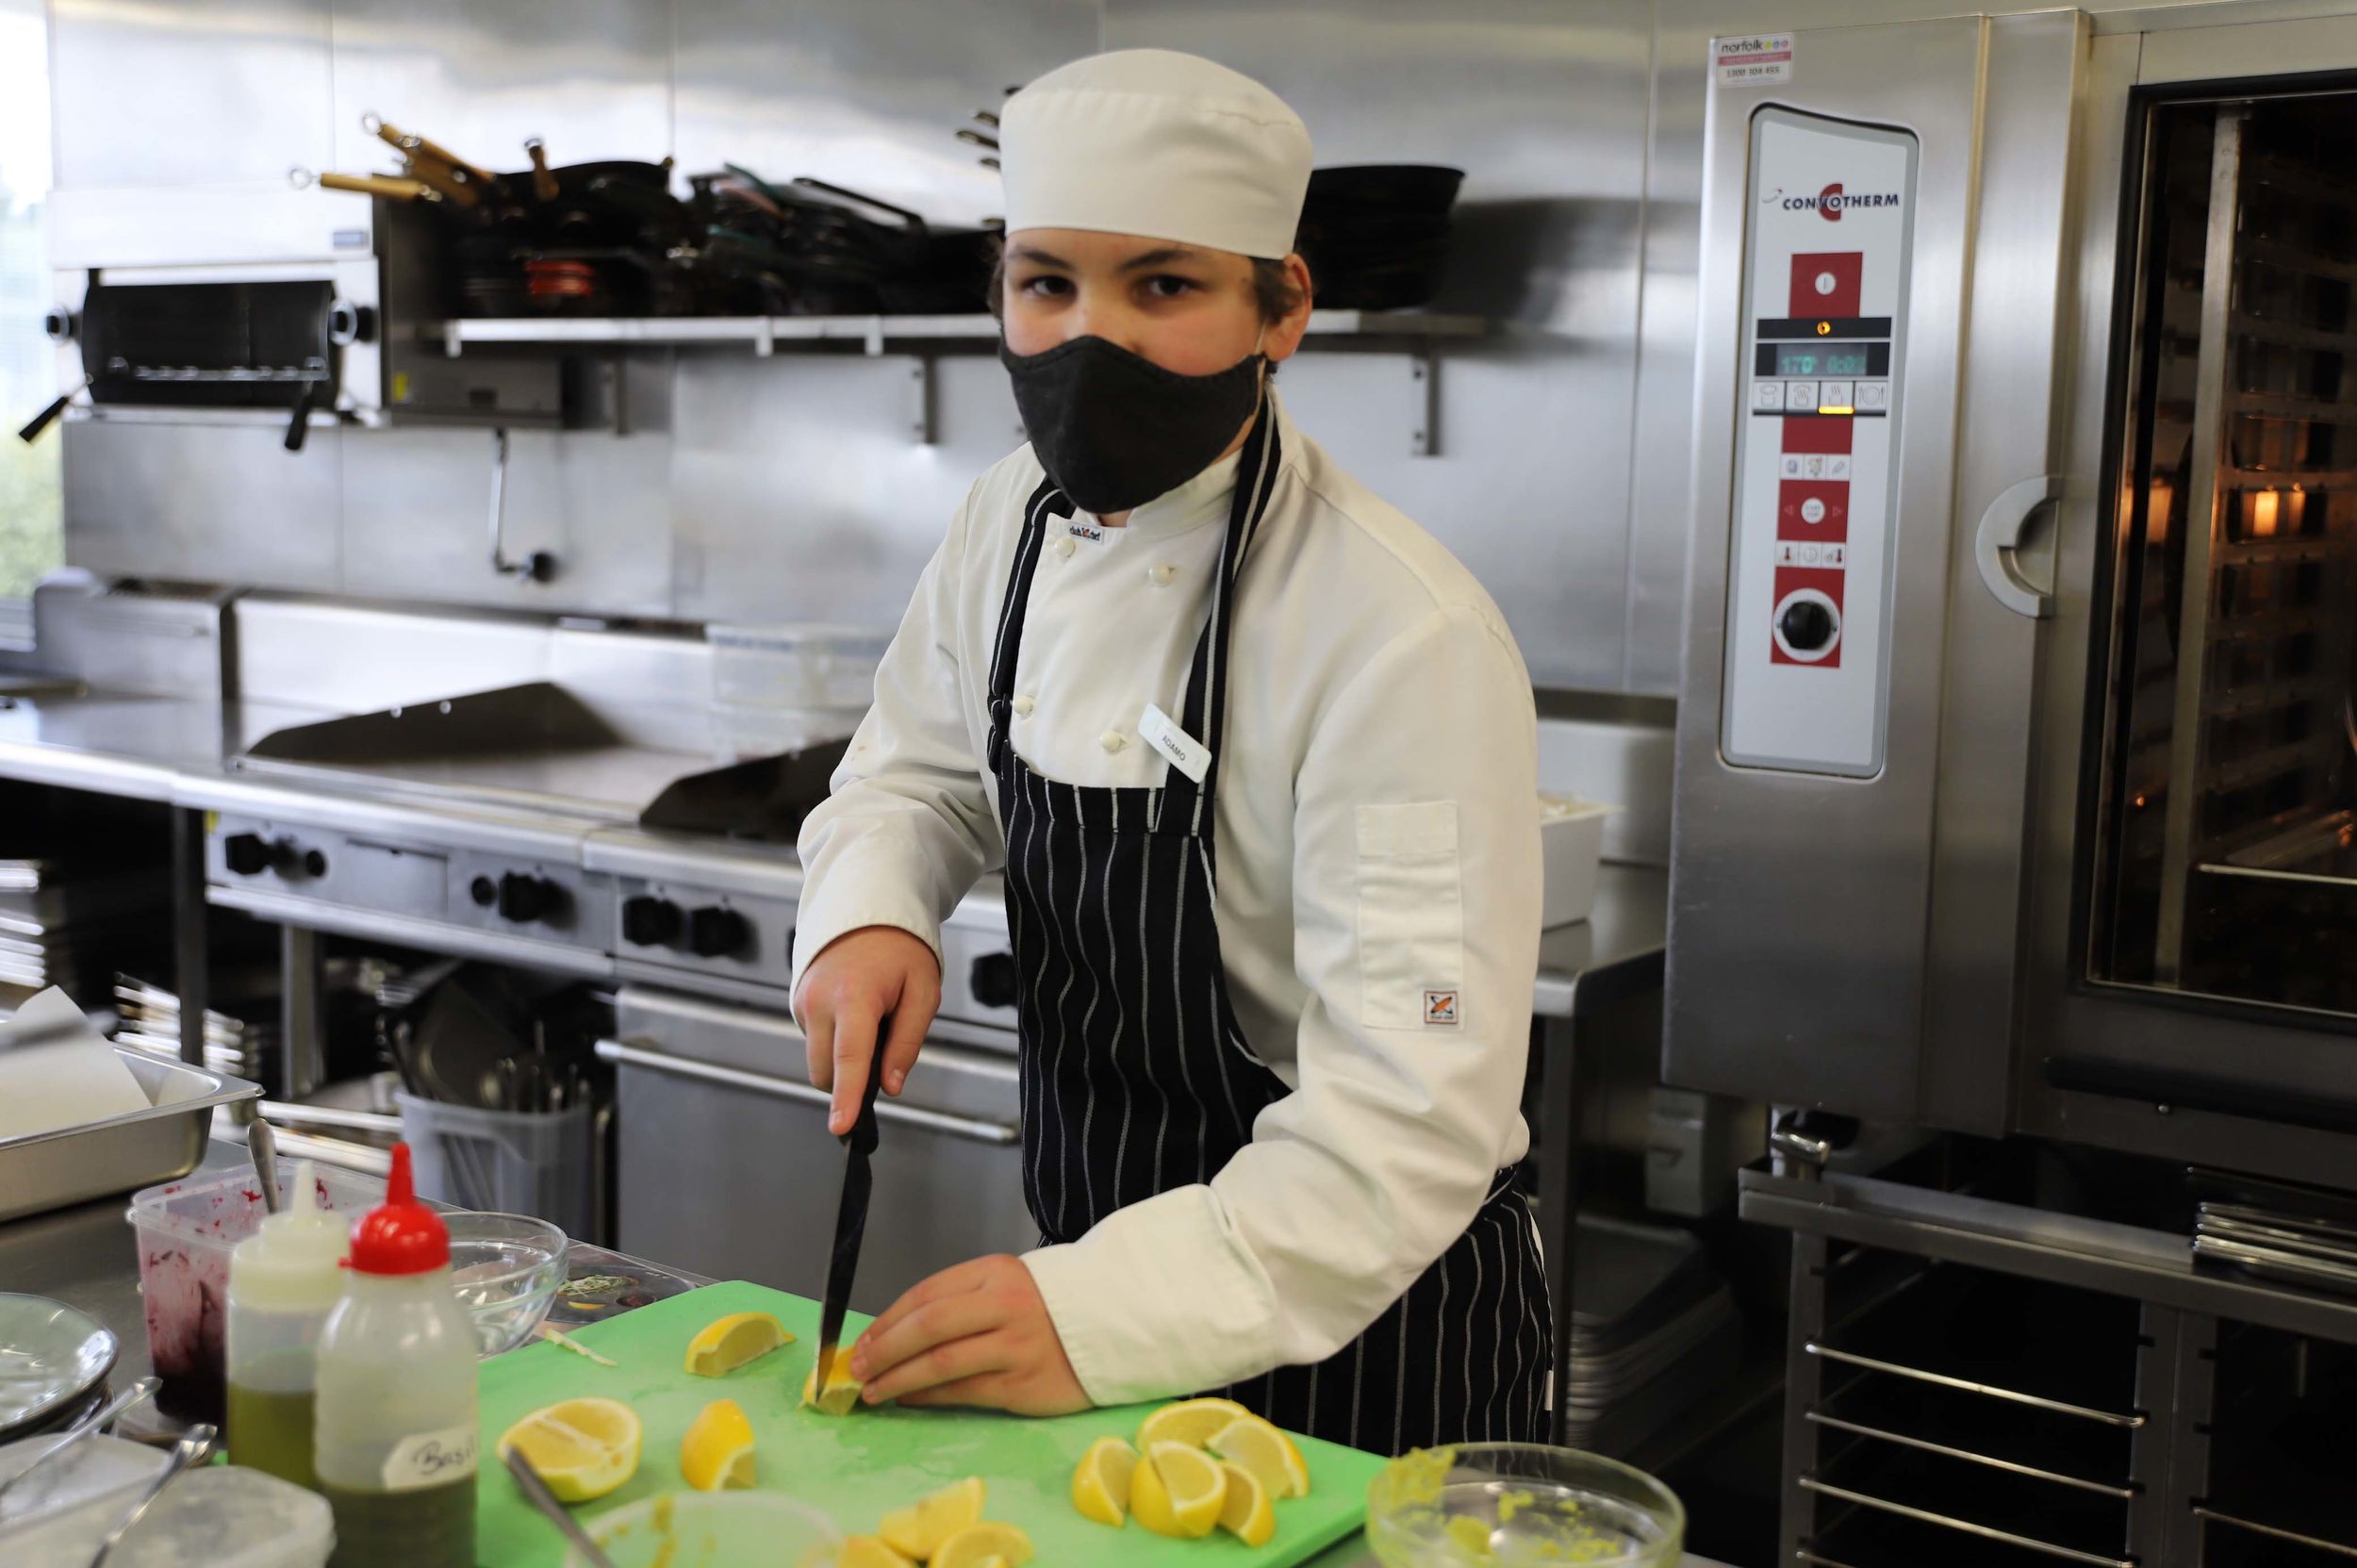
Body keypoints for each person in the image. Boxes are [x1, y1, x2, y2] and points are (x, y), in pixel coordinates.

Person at [790, 47, 1548, 1452]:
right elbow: (915, 770)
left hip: (1365, 1334)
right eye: (1046, 284)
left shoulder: (1399, 631)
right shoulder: (1008, 520)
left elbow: (1409, 1116)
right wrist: (870, 908)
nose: (1091, 342)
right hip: (1092, 1276)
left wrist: (1102, 1316)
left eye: (1162, 287)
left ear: (1284, 308)